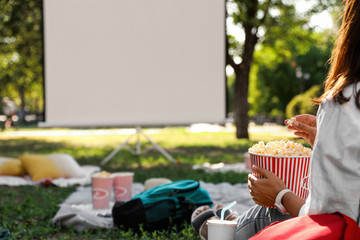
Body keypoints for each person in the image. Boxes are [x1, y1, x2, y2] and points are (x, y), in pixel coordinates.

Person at [191, 0, 360, 239]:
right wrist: (328, 143)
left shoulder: (345, 99)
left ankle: (227, 229)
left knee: (268, 213)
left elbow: (326, 219)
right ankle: (235, 222)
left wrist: (280, 195)